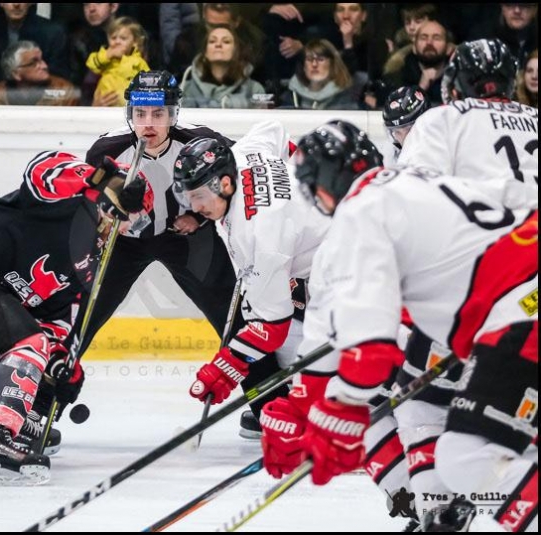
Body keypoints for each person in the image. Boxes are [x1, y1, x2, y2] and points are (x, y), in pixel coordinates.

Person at [261, 119, 536, 531]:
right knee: (494, 445)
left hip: (517, 313)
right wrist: (303, 402)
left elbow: (369, 346)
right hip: (517, 306)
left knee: (466, 457)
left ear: (320, 187)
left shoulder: (360, 211)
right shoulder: (421, 180)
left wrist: (340, 412)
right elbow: (330, 327)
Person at [0, 152, 151, 486]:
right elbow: (42, 169)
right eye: (130, 216)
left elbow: (57, 317)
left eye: (136, 224)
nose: (126, 228)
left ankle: (18, 421)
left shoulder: (91, 261)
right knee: (27, 344)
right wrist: (101, 178)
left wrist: (61, 361)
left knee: (43, 354)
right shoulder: (69, 200)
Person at [77, 71, 240, 421]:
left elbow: (233, 178)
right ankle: (40, 406)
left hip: (185, 237)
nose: (148, 124)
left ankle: (267, 401)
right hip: (124, 244)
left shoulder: (201, 141)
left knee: (233, 317)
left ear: (174, 114)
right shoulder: (106, 151)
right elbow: (89, 206)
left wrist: (201, 219)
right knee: (80, 321)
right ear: (129, 114)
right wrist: (109, 222)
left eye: (159, 114)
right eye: (140, 114)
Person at [172, 121, 330, 427]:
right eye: (188, 196)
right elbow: (275, 130)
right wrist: (299, 190)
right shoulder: (242, 154)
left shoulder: (261, 236)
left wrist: (227, 367)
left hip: (351, 256)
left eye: (200, 196)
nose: (193, 207)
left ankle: (371, 403)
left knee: (317, 353)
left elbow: (272, 327)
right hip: (335, 232)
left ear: (226, 184)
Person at [399, 38, 539, 207]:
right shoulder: (534, 115)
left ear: (457, 81)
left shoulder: (442, 117)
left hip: (485, 227)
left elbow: (411, 190)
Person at [86, 16, 150, 107]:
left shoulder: (138, 62)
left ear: (135, 42)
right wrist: (108, 55)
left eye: (123, 38)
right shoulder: (105, 56)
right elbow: (91, 64)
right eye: (113, 38)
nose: (117, 42)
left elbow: (149, 86)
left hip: (127, 105)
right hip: (104, 102)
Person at [381, 85, 430, 162]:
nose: (404, 139)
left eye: (409, 130)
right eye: (397, 132)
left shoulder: (445, 150)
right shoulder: (390, 154)